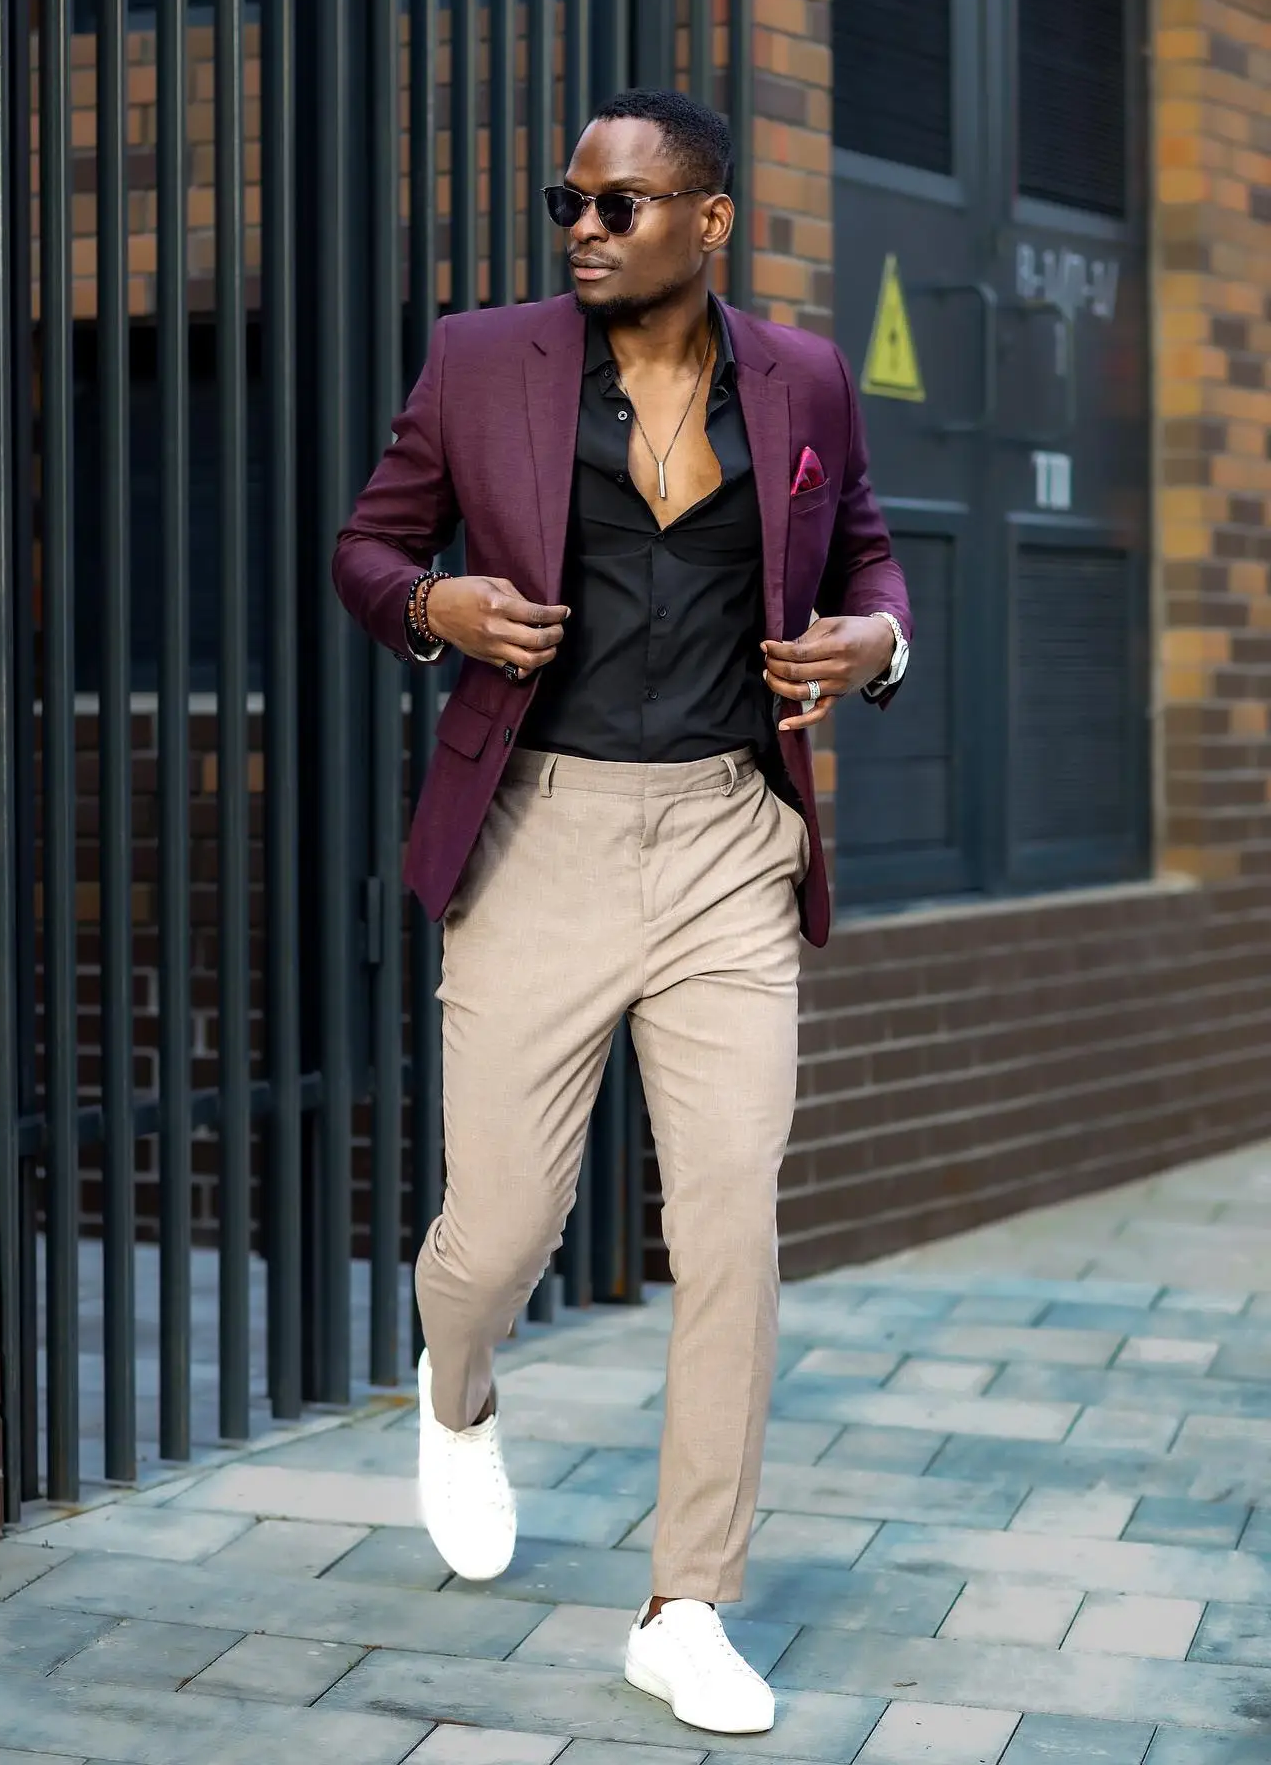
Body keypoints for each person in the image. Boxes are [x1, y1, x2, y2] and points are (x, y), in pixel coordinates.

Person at [333, 88, 911, 1737]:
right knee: (500, 1229)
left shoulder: (803, 378)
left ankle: (688, 1604)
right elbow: (370, 551)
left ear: (707, 220)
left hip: (733, 834)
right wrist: (437, 600)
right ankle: (457, 1393)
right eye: (569, 205)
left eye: (622, 204)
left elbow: (867, 557)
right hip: (542, 831)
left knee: (729, 1217)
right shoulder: (477, 362)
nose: (584, 229)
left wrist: (880, 646)